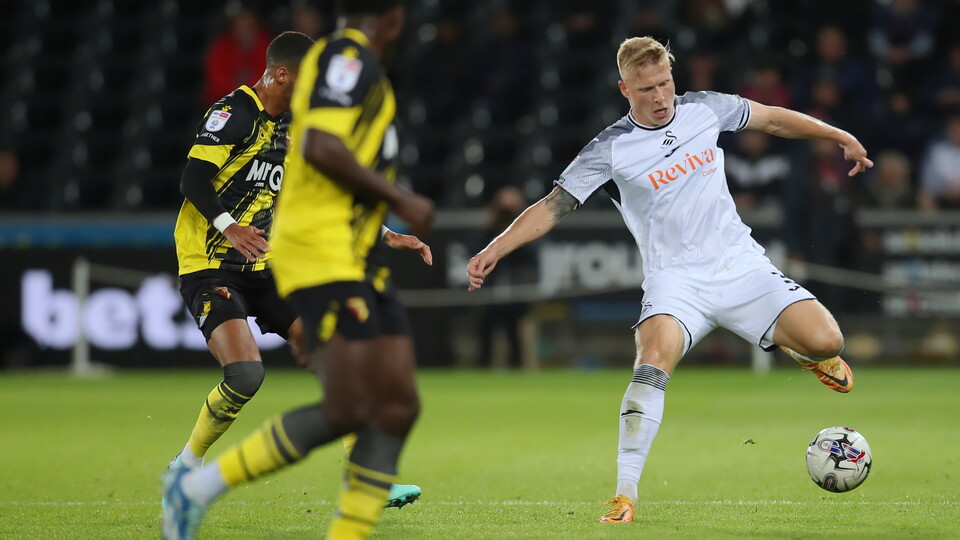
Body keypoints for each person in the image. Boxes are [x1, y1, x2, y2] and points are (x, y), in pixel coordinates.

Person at [467, 36, 873, 525]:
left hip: (740, 265)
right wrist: (495, 247)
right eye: (645, 90)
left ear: (673, 77)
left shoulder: (706, 109)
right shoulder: (610, 148)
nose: (659, 98)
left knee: (829, 338)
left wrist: (837, 135)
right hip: (675, 281)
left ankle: (805, 353)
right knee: (651, 363)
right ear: (624, 89)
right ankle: (624, 493)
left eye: (664, 84)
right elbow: (553, 206)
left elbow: (774, 117)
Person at [163, 2, 434, 539]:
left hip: (269, 265)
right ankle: (187, 466)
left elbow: (314, 194)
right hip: (211, 262)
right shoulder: (236, 112)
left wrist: (385, 234)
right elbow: (193, 178)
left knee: (340, 365)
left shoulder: (295, 126)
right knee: (245, 374)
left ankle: (367, 476)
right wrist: (228, 225)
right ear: (280, 74)